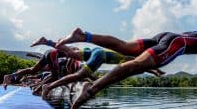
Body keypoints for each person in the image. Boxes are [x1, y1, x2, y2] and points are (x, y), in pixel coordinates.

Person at [56, 28, 197, 109]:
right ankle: (91, 88)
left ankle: (83, 35)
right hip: (177, 44)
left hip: (165, 36)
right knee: (136, 66)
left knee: (125, 47)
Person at [30, 37, 165, 100]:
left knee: (71, 54)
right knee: (79, 76)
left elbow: (143, 67)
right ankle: (49, 87)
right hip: (99, 55)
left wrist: (153, 71)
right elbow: (142, 66)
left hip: (95, 51)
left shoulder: (128, 52)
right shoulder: (132, 57)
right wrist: (154, 70)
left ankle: (47, 41)